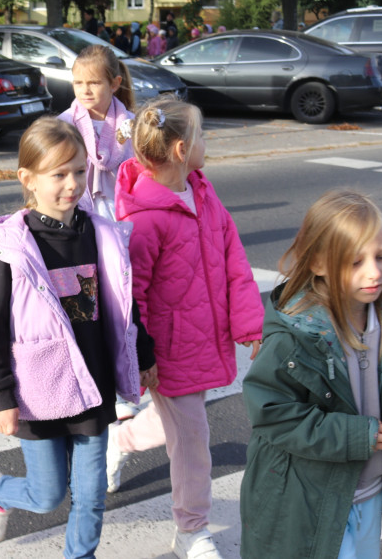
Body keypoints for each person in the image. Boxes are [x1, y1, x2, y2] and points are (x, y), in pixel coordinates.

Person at [0, 117, 157, 555]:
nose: (71, 183)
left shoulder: (101, 235)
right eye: (58, 174)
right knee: (47, 495)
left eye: (78, 171)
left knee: (90, 497)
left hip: (93, 386)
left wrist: (143, 353)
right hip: (40, 389)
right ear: (28, 180)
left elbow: (123, 305)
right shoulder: (13, 246)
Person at [240, 189, 382, 559]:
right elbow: (271, 414)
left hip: (368, 490)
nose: (374, 272)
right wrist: (354, 435)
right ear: (318, 263)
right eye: (354, 262)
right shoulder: (294, 335)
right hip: (308, 498)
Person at [111, 98, 263, 559]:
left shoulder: (202, 190)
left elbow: (232, 253)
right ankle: (191, 530)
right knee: (194, 442)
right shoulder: (143, 220)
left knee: (180, 421)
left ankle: (120, 440)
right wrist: (143, 358)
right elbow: (129, 298)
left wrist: (250, 320)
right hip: (168, 349)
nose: (207, 144)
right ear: (181, 149)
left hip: (204, 336)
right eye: (202, 136)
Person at [56, 44, 136, 221]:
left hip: (123, 213)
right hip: (76, 214)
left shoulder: (131, 124)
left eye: (94, 82)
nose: (85, 90)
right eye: (78, 83)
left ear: (114, 84)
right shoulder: (63, 125)